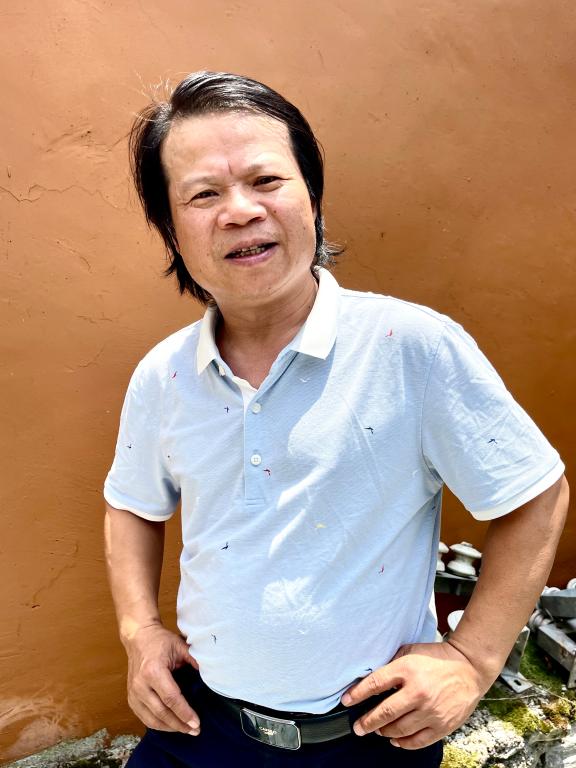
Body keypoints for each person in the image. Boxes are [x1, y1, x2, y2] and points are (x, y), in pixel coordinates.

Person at [103, 71, 569, 768]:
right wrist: (139, 630)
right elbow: (131, 506)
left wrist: (472, 658)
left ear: (312, 197)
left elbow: (535, 494)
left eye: (266, 180)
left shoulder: (410, 347)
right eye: (203, 194)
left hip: (369, 739)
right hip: (198, 732)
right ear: (171, 229)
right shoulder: (163, 375)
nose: (240, 211)